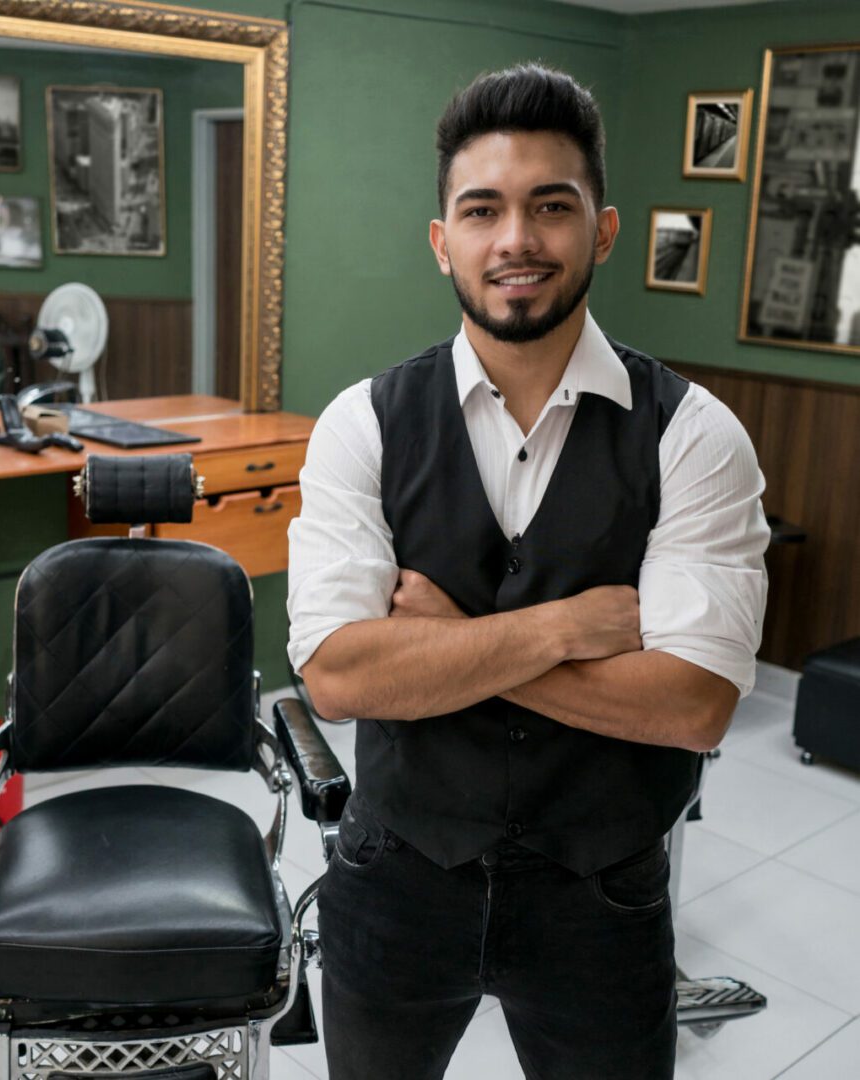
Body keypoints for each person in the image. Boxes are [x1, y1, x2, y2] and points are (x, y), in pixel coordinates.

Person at [286, 64, 769, 1080]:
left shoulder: (693, 438)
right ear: (441, 241)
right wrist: (560, 630)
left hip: (601, 893)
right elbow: (335, 678)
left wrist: (444, 635)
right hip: (396, 876)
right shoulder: (359, 425)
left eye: (550, 206)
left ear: (600, 230)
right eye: (481, 210)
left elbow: (690, 707)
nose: (514, 240)